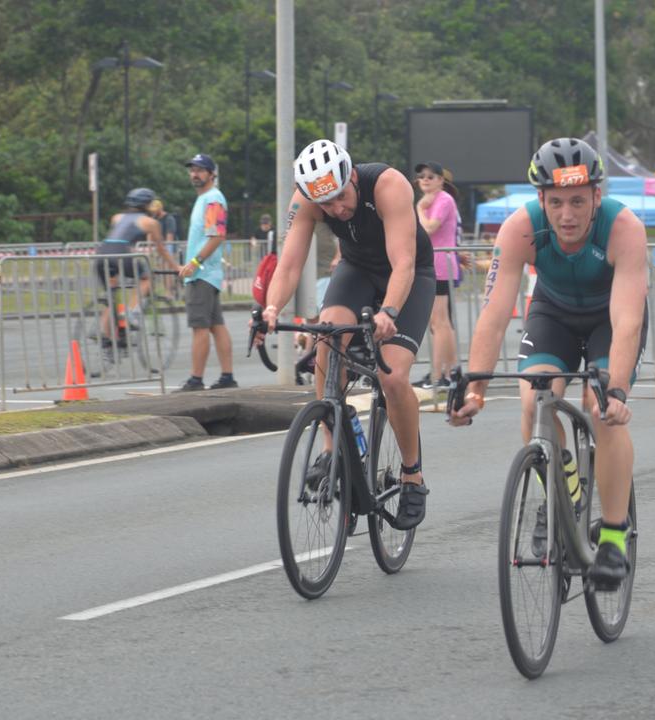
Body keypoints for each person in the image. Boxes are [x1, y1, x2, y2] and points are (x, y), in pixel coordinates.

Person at [449, 137, 649, 590]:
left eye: (578, 201)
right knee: (533, 399)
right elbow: (495, 312)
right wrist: (474, 389)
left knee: (602, 413)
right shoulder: (520, 228)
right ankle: (564, 495)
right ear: (540, 199)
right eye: (556, 202)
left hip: (608, 320)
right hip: (553, 314)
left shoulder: (625, 228)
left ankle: (614, 535)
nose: (567, 215)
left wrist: (615, 391)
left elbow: (627, 320)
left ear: (598, 195)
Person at [260, 139, 436, 530]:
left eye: (341, 196)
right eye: (327, 205)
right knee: (328, 338)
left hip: (407, 275)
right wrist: (272, 308)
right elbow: (289, 263)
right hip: (356, 271)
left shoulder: (388, 185)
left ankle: (412, 476)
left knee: (392, 376)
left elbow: (403, 262)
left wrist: (389, 311)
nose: (336, 209)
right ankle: (332, 451)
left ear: (352, 176)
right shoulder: (306, 198)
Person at [94, 188, 180, 360]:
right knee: (147, 278)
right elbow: (161, 249)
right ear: (147, 205)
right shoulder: (150, 222)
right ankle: (131, 313)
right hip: (122, 254)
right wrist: (176, 267)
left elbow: (120, 236)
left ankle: (108, 339)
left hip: (102, 254)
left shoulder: (116, 217)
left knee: (111, 298)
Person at [177, 153, 237, 391]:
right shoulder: (206, 199)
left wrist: (195, 262)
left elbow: (217, 236)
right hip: (205, 273)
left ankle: (196, 379)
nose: (195, 174)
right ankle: (227, 376)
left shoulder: (212, 199)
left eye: (200, 170)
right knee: (215, 325)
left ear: (212, 174)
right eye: (192, 169)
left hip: (202, 274)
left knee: (199, 327)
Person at [412, 161, 465, 390]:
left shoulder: (443, 200)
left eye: (430, 177)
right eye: (422, 176)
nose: (425, 180)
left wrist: (420, 210)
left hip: (441, 266)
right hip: (436, 264)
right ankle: (451, 371)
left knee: (439, 322)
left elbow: (430, 228)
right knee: (441, 323)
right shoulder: (433, 200)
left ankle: (438, 376)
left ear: (441, 180)